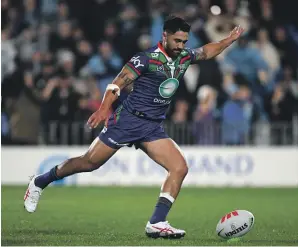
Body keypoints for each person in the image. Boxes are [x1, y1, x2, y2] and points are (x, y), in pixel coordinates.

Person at [24, 16, 244, 239]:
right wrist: (103, 109)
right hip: (127, 121)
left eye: (184, 41)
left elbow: (206, 51)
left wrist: (229, 40)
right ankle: (39, 181)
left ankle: (157, 222)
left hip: (151, 126)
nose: (181, 46)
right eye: (177, 41)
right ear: (164, 36)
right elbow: (117, 83)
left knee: (179, 168)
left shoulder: (184, 57)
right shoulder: (145, 59)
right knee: (89, 163)